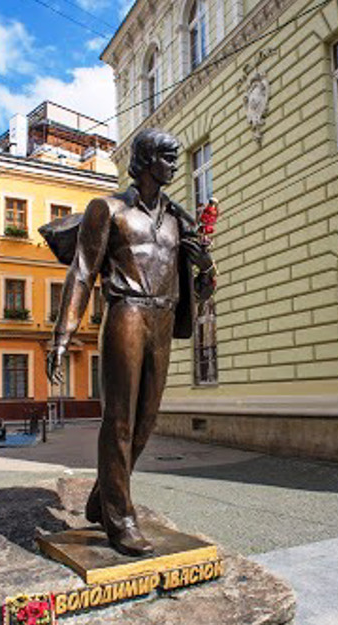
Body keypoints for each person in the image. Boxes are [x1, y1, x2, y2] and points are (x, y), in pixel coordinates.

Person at [46, 129, 214, 556]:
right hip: (128, 311)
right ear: (145, 160)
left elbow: (202, 288)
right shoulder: (109, 209)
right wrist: (62, 335)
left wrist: (206, 266)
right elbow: (82, 271)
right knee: (119, 419)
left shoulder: (178, 219)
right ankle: (120, 517)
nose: (174, 166)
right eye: (167, 158)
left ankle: (102, 497)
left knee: (146, 422)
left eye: (175, 158)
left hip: (164, 317)